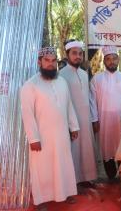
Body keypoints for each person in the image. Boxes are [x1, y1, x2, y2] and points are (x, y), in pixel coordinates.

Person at [20, 47, 79, 210]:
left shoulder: (62, 82)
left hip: (61, 134)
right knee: (42, 168)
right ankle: (41, 200)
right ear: (39, 62)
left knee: (63, 163)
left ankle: (65, 192)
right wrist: (33, 138)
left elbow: (68, 106)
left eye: (54, 61)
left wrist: (73, 126)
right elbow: (27, 114)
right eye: (47, 61)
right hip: (42, 137)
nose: (51, 65)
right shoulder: (30, 85)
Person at [90, 45, 121, 179]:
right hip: (104, 121)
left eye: (114, 58)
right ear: (104, 61)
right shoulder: (96, 79)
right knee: (106, 148)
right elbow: (92, 102)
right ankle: (110, 176)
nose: (111, 61)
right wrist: (94, 120)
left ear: (118, 60)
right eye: (108, 59)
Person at [59, 40, 97, 187]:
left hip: (86, 120)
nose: (78, 57)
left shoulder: (84, 73)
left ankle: (86, 178)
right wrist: (68, 124)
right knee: (73, 150)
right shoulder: (61, 75)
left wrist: (93, 119)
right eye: (74, 53)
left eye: (80, 54)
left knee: (87, 149)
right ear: (67, 54)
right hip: (71, 121)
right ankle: (73, 181)